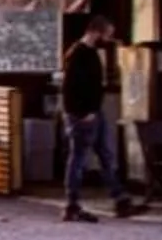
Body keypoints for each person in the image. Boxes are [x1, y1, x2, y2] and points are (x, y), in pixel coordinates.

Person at [59, 14, 138, 222]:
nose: (109, 39)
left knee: (105, 154)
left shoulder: (90, 53)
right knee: (79, 158)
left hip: (94, 111)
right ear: (97, 32)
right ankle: (72, 203)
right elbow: (71, 87)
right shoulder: (79, 54)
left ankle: (120, 198)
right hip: (84, 114)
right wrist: (82, 112)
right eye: (107, 34)